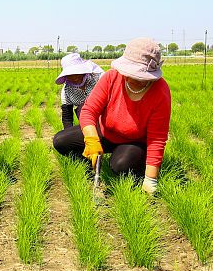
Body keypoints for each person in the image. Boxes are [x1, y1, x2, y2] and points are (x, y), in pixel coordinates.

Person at [52, 37, 171, 194]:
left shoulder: (160, 91)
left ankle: (129, 162)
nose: (129, 78)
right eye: (128, 72)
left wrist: (150, 179)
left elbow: (157, 138)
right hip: (106, 131)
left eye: (138, 76)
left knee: (120, 166)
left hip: (134, 141)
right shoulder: (111, 77)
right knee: (60, 140)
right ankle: (90, 163)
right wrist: (92, 140)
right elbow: (88, 110)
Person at [56, 52, 104, 129]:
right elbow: (67, 117)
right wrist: (68, 134)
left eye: (76, 72)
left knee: (85, 106)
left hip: (106, 117)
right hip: (88, 123)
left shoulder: (99, 79)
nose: (74, 77)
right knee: (60, 138)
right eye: (70, 74)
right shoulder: (66, 90)